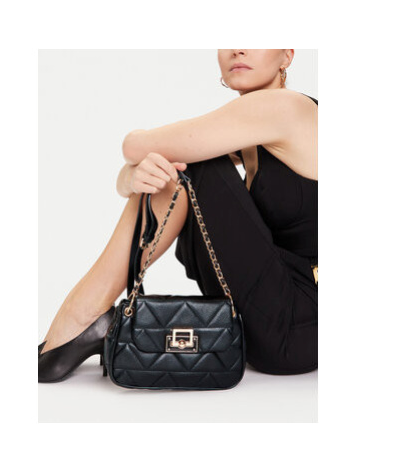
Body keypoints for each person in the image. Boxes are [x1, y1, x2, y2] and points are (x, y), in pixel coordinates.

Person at [38, 49, 318, 383]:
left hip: (300, 325)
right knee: (185, 163)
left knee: (196, 165)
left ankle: (83, 314)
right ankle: (85, 315)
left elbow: (135, 147)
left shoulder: (286, 108)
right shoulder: (252, 135)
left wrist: (133, 162)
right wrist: (130, 178)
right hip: (269, 314)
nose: (238, 49)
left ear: (286, 56)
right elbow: (160, 160)